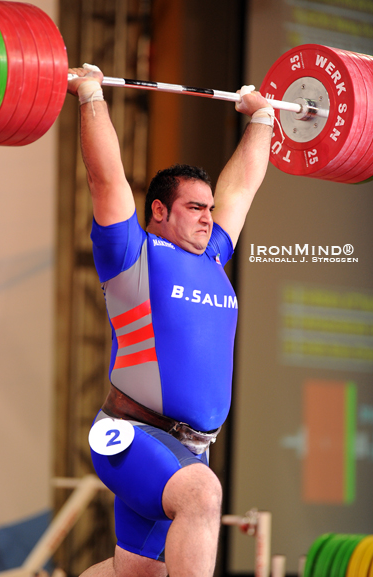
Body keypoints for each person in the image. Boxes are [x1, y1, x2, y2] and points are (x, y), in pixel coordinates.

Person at [67, 64, 273, 577]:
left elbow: (241, 189)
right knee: (203, 495)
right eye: (194, 207)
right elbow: (105, 175)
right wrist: (91, 93)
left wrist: (263, 120)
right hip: (132, 435)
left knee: (135, 575)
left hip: (189, 448)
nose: (208, 217)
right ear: (159, 210)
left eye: (209, 208)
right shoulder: (131, 253)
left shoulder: (212, 258)